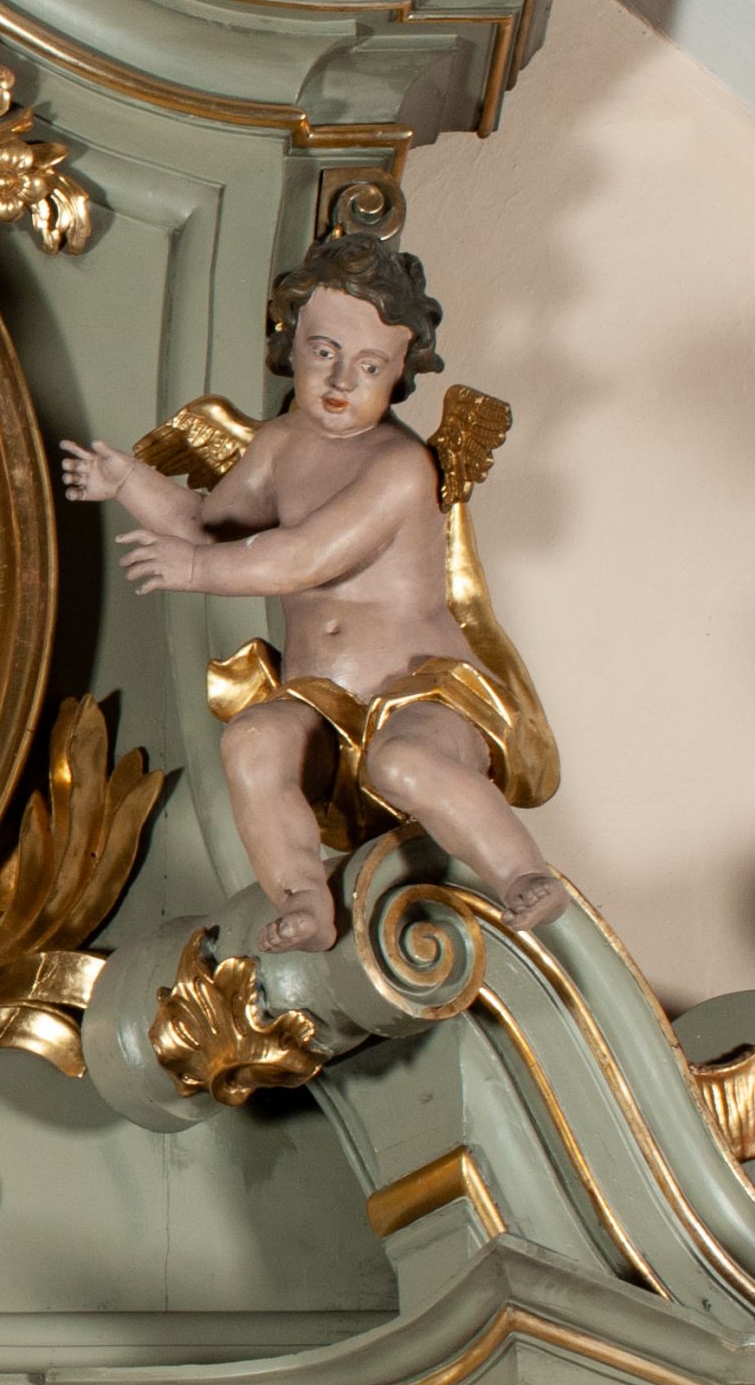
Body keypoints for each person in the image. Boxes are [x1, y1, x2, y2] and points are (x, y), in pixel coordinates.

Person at [59, 234, 564, 952]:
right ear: (290, 341)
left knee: (404, 761)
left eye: (370, 366)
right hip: (321, 702)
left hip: (421, 696)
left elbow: (304, 556)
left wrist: (197, 572)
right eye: (324, 351)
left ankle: (521, 873)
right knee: (253, 741)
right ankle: (303, 897)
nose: (341, 379)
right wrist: (130, 484)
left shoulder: (400, 465)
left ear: (400, 373)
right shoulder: (278, 446)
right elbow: (211, 527)